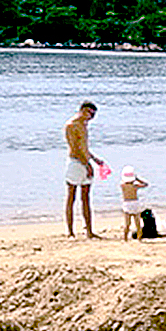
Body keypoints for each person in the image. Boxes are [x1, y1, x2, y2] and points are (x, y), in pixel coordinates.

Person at [64, 101, 102, 238]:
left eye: (93, 115)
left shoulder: (84, 125)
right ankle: (70, 231)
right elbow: (75, 148)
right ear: (82, 110)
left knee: (86, 198)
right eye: (89, 113)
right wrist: (87, 165)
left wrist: (94, 159)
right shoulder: (72, 125)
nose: (91, 117)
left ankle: (89, 231)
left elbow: (83, 147)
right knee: (71, 196)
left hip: (84, 161)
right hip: (75, 162)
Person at [119, 168, 149, 240]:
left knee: (127, 223)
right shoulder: (135, 185)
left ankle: (125, 238)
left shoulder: (123, 185)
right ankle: (139, 238)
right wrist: (137, 179)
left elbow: (123, 181)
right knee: (137, 223)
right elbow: (146, 184)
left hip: (127, 203)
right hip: (135, 203)